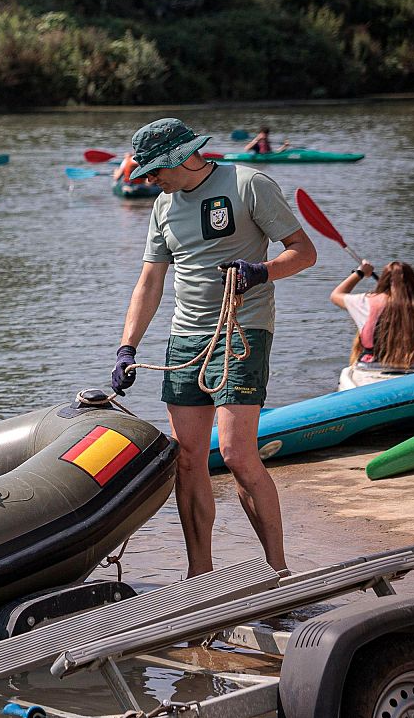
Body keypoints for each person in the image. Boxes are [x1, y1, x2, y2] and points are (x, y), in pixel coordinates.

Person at [109, 118, 316, 576]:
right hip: (185, 340)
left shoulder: (248, 184)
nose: (149, 179)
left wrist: (261, 271)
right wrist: (127, 347)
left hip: (242, 333)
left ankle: (278, 572)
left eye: (155, 170)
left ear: (184, 157)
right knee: (187, 460)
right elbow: (150, 281)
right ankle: (199, 575)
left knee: (240, 456)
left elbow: (304, 251)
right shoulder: (163, 206)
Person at [330, 260, 414, 375]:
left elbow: (336, 295)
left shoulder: (364, 302)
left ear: (383, 281)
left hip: (369, 367)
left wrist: (360, 272)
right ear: (412, 283)